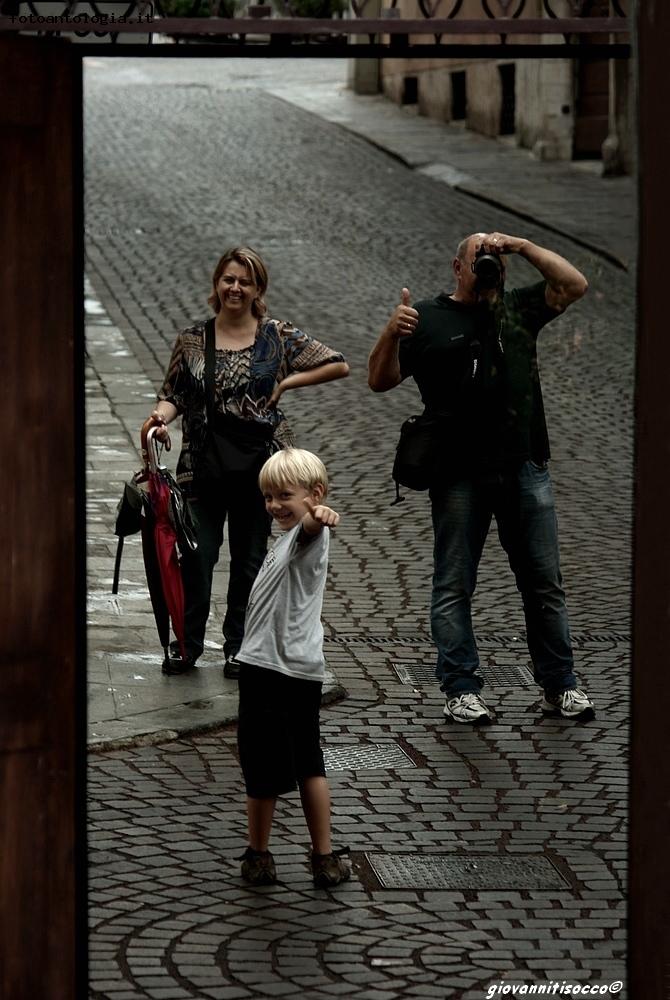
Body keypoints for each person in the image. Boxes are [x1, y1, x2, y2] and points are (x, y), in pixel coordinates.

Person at [368, 231, 595, 725]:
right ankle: (460, 688)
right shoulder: (427, 319)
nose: (489, 267)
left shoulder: (517, 309)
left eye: (495, 260)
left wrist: (522, 245)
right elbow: (380, 380)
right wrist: (390, 331)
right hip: (457, 475)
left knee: (544, 585)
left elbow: (574, 284)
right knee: (454, 585)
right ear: (457, 266)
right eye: (479, 259)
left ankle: (561, 687)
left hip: (525, 468)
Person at [145, 247, 349, 678]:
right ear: (217, 284)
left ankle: (240, 647)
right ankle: (187, 645)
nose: (235, 288)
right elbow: (175, 394)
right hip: (201, 463)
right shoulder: (193, 339)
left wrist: (290, 379)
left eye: (245, 281)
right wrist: (160, 420)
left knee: (250, 561)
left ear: (258, 290)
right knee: (196, 556)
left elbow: (337, 364)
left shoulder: (276, 335)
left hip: (263, 468)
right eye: (228, 279)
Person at [235, 448, 351, 888]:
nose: (273, 504)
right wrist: (308, 514)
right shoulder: (286, 539)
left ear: (314, 494)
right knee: (309, 762)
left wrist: (317, 516)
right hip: (301, 669)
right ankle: (323, 858)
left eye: (285, 494)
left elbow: (309, 527)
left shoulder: (308, 535)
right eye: (268, 496)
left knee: (261, 767)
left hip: (269, 668)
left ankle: (259, 854)